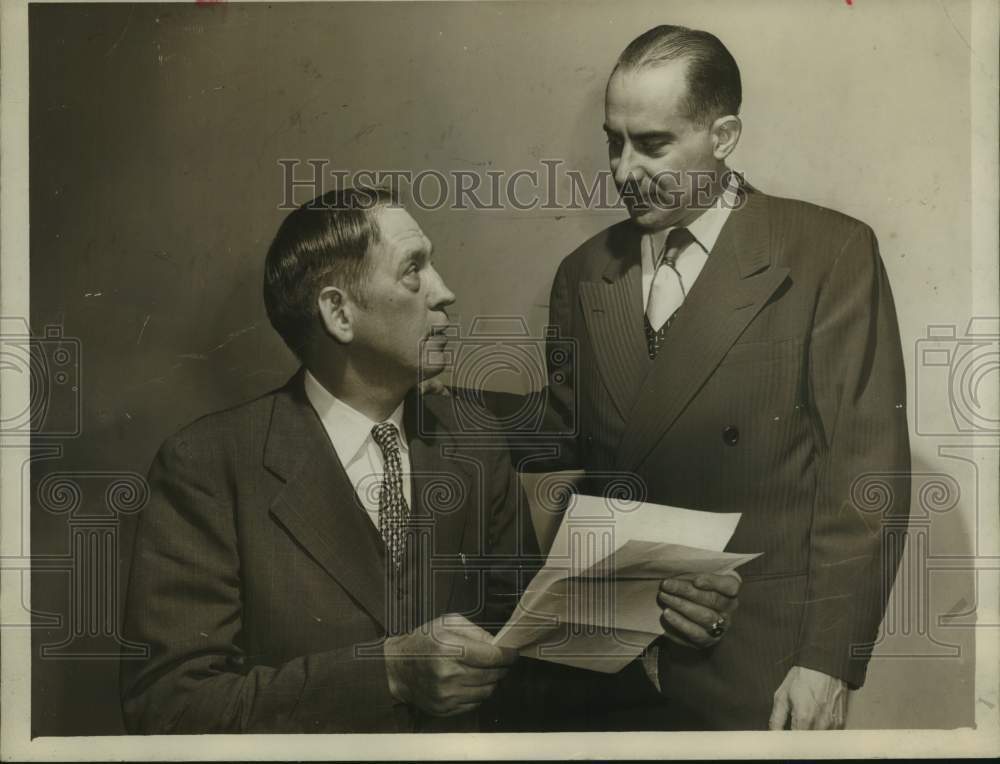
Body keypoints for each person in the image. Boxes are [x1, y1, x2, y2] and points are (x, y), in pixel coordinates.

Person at [120, 187, 742, 733]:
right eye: (413, 270)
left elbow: (524, 657)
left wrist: (656, 627)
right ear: (339, 313)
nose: (446, 292)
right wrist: (388, 675)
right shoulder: (208, 466)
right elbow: (170, 707)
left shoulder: (472, 444)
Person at [535, 25, 912, 730]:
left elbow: (866, 480)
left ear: (724, 136)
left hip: (760, 664)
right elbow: (563, 462)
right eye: (613, 142)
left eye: (652, 145)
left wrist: (827, 662)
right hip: (607, 664)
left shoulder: (827, 253)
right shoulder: (583, 273)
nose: (623, 170)